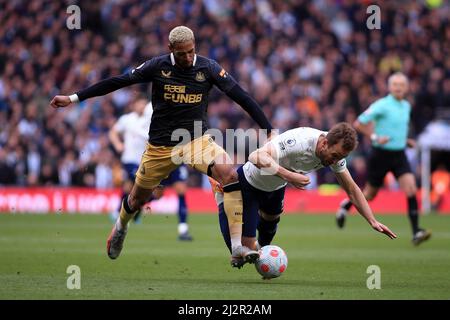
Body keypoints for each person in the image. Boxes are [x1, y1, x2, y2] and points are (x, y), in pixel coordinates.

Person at [50, 26, 273, 267]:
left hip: (196, 141)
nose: (188, 58)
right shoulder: (157, 66)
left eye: (191, 51)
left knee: (229, 174)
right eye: (182, 54)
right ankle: (121, 226)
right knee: (136, 199)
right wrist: (73, 98)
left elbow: (241, 96)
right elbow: (118, 82)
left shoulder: (208, 67)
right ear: (171, 50)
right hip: (160, 147)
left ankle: (237, 247)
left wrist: (268, 128)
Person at [212, 123, 396, 265]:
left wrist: (372, 220)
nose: (336, 161)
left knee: (269, 228)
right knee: (246, 252)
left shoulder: (334, 152)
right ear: (324, 143)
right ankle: (223, 200)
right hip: (251, 183)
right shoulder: (298, 141)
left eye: (340, 158)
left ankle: (262, 256)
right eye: (335, 155)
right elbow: (256, 156)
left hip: (275, 186)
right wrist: (290, 176)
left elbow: (352, 189)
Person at [336, 72, 431, 246]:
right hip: (380, 155)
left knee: (410, 189)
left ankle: (416, 231)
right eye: (395, 85)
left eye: (402, 85)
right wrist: (374, 137)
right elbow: (358, 123)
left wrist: (405, 141)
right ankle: (345, 206)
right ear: (389, 87)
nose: (399, 88)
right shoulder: (381, 105)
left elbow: (396, 128)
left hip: (399, 154)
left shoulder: (406, 106)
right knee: (369, 195)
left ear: (407, 87)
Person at [108, 98, 193, 240]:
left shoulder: (182, 106)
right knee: (133, 188)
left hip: (177, 154)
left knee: (173, 192)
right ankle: (125, 210)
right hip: (152, 158)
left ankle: (183, 229)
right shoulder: (138, 116)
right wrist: (118, 145)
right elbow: (143, 134)